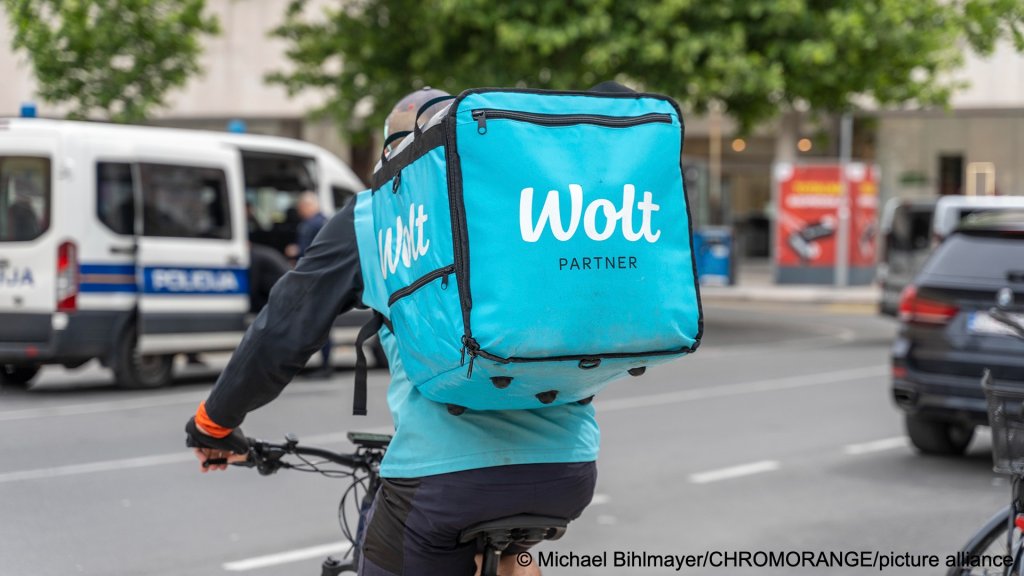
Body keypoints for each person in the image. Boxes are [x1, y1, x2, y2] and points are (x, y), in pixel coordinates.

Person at [185, 86, 604, 576]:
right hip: (568, 468)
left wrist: (214, 422)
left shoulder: (377, 215)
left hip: (443, 480)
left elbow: (284, 328)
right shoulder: (526, 204)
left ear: (392, 156)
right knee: (516, 556)